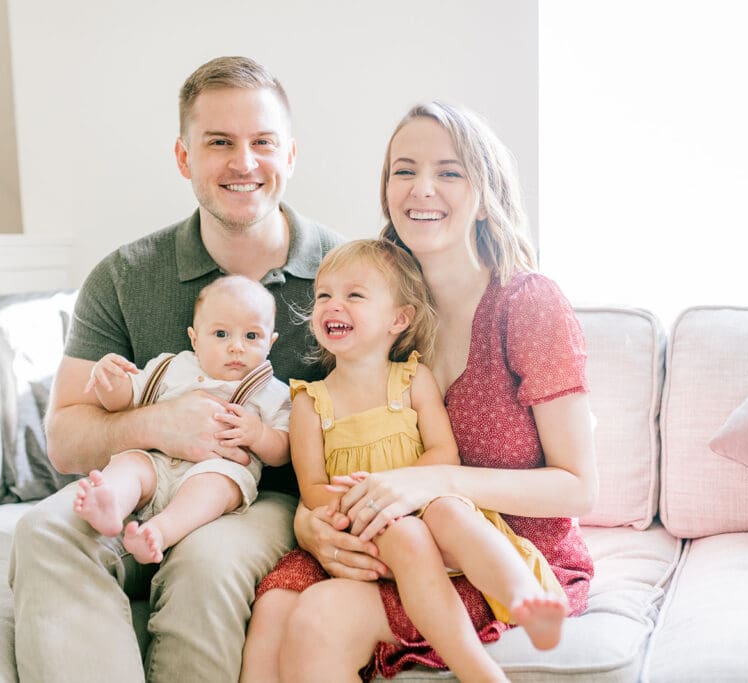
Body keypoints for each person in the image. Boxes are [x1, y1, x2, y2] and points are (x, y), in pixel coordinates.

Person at [8, 56, 344, 683]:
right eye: (219, 142)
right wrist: (161, 423)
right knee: (45, 532)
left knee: (206, 561)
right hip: (140, 486)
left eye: (262, 142)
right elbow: (65, 438)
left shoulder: (347, 274)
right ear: (184, 157)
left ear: (290, 154)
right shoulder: (124, 275)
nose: (244, 163)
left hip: (257, 500)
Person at [271, 102, 599, 682]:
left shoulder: (527, 303)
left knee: (321, 617)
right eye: (404, 170)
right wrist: (309, 524)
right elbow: (336, 446)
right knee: (275, 609)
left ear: (484, 191)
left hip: (508, 559)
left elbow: (579, 489)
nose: (422, 188)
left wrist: (434, 479)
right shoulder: (380, 309)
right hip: (402, 540)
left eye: (449, 172)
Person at [241, 239, 571, 683]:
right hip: (359, 521)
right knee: (274, 602)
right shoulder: (309, 401)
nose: (333, 305)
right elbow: (313, 487)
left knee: (448, 514)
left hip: (423, 502)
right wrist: (361, 503)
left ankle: (525, 600)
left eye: (354, 295)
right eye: (324, 295)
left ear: (399, 318)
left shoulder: (414, 379)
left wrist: (396, 488)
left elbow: (443, 454)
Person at [73, 275, 291, 564]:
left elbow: (285, 451)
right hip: (159, 462)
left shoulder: (270, 390)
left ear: (270, 342)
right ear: (195, 338)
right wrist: (108, 381)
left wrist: (260, 435)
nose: (236, 347)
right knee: (129, 463)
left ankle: (160, 532)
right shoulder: (171, 367)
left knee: (214, 486)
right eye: (221, 334)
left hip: (218, 469)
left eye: (251, 336)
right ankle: (111, 504)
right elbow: (124, 401)